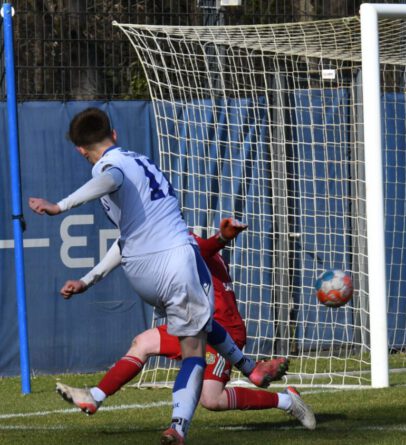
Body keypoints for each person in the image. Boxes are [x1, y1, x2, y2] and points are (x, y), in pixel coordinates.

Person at [28, 107, 286, 444]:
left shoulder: (110, 169)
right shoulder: (130, 164)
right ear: (115, 134)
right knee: (194, 350)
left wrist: (87, 280)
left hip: (140, 271)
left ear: (80, 150)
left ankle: (250, 368)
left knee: (196, 325)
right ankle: (179, 427)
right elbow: (110, 178)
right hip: (176, 263)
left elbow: (124, 236)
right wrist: (61, 206)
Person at [54, 218, 316, 431]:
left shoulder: (180, 238)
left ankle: (285, 400)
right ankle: (95, 397)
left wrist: (222, 238)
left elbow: (204, 248)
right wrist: (85, 282)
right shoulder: (149, 239)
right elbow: (122, 251)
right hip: (190, 322)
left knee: (211, 400)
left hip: (221, 326)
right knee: (142, 343)